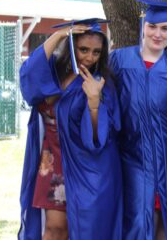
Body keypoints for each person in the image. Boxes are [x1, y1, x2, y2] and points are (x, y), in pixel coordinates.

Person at [18, 18, 122, 240]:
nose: (89, 57)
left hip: (85, 165)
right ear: (72, 45)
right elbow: (29, 78)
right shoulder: (54, 70)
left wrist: (94, 103)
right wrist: (59, 35)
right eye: (83, 49)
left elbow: (100, 137)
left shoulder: (102, 82)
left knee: (82, 231)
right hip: (53, 158)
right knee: (54, 229)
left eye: (96, 52)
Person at [109, 0, 167, 240]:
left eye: (165, 28)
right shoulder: (118, 60)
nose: (157, 34)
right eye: (152, 26)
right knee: (136, 221)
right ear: (143, 25)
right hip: (132, 160)